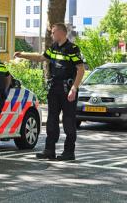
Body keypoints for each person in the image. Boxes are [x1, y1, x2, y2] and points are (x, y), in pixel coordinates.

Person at [15, 23, 85, 161]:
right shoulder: (53, 47)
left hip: (67, 89)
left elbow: (80, 69)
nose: (52, 35)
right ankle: (49, 150)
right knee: (52, 120)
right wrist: (23, 55)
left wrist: (74, 88)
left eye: (53, 32)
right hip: (54, 88)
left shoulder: (72, 48)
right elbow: (41, 57)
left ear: (61, 33)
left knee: (68, 121)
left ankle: (69, 152)